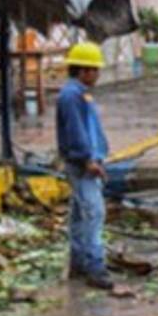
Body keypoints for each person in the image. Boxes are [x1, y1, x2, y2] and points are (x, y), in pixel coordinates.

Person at [56, 42, 113, 290]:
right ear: (83, 71)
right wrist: (88, 159)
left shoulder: (78, 94)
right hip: (82, 164)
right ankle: (94, 265)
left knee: (81, 213)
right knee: (94, 213)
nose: (98, 75)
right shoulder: (71, 97)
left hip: (85, 160)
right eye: (95, 70)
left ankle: (79, 259)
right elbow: (77, 132)